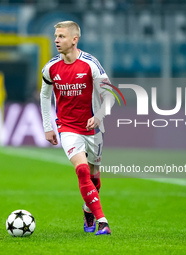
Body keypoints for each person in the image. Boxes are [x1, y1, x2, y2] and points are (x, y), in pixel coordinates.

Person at [40, 21, 115, 235]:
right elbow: (44, 96)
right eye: (56, 36)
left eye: (61, 36)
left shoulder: (90, 64)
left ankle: (88, 210)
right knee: (81, 171)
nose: (56, 40)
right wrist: (48, 126)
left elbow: (110, 94)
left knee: (94, 179)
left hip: (93, 129)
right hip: (68, 128)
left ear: (75, 39)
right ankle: (102, 221)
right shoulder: (50, 67)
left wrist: (99, 116)